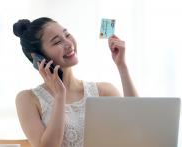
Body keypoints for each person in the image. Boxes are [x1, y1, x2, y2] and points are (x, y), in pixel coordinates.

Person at [13, 17, 138, 147]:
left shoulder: (104, 91)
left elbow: (136, 126)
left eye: (67, 35)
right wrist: (59, 96)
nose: (69, 44)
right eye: (57, 42)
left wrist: (122, 65)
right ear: (38, 58)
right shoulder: (27, 99)